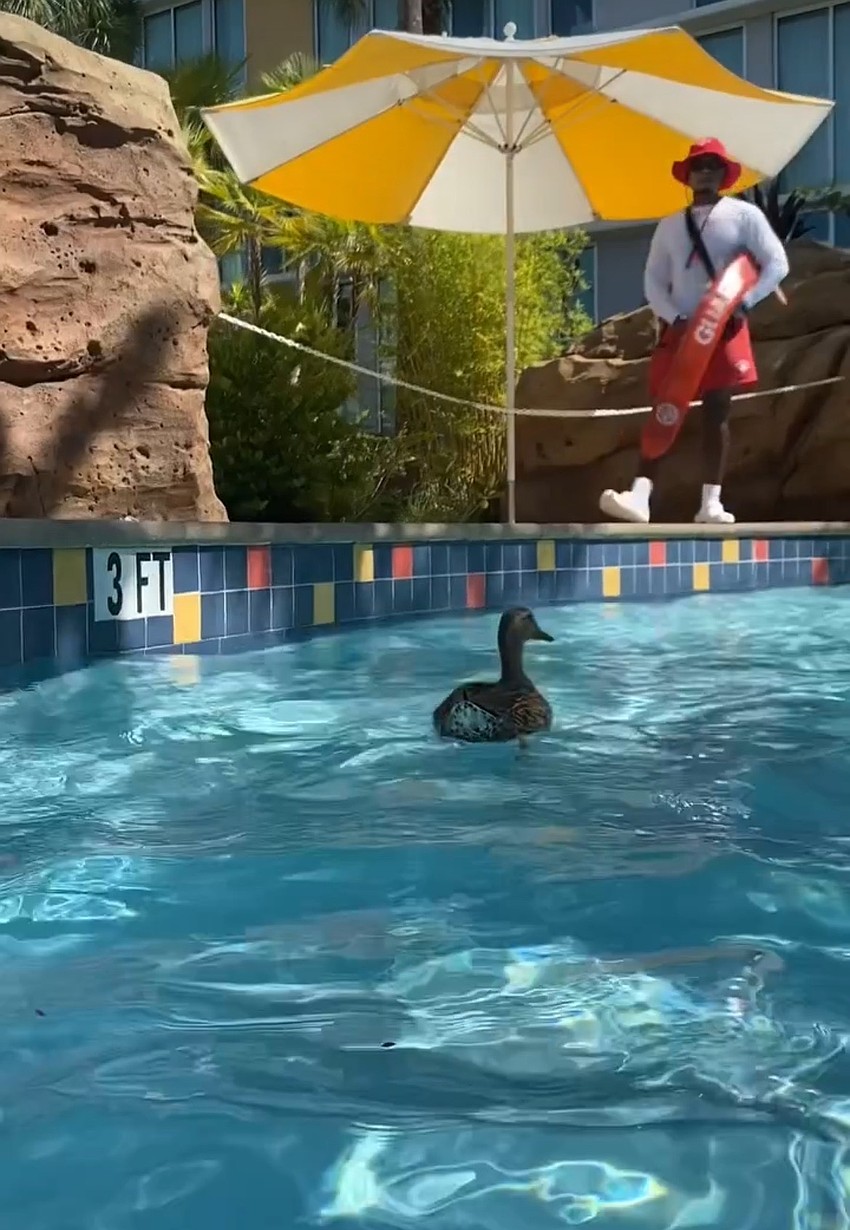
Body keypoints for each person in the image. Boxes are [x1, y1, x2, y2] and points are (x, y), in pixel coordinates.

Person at [599, 138, 790, 526]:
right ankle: (641, 497)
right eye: (698, 165)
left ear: (723, 174)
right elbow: (653, 279)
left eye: (712, 165)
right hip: (681, 331)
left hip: (724, 327)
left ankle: (711, 504)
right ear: (688, 175)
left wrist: (745, 302)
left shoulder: (744, 215)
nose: (705, 171)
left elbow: (777, 263)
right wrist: (674, 317)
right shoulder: (669, 225)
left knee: (717, 413)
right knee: (665, 407)